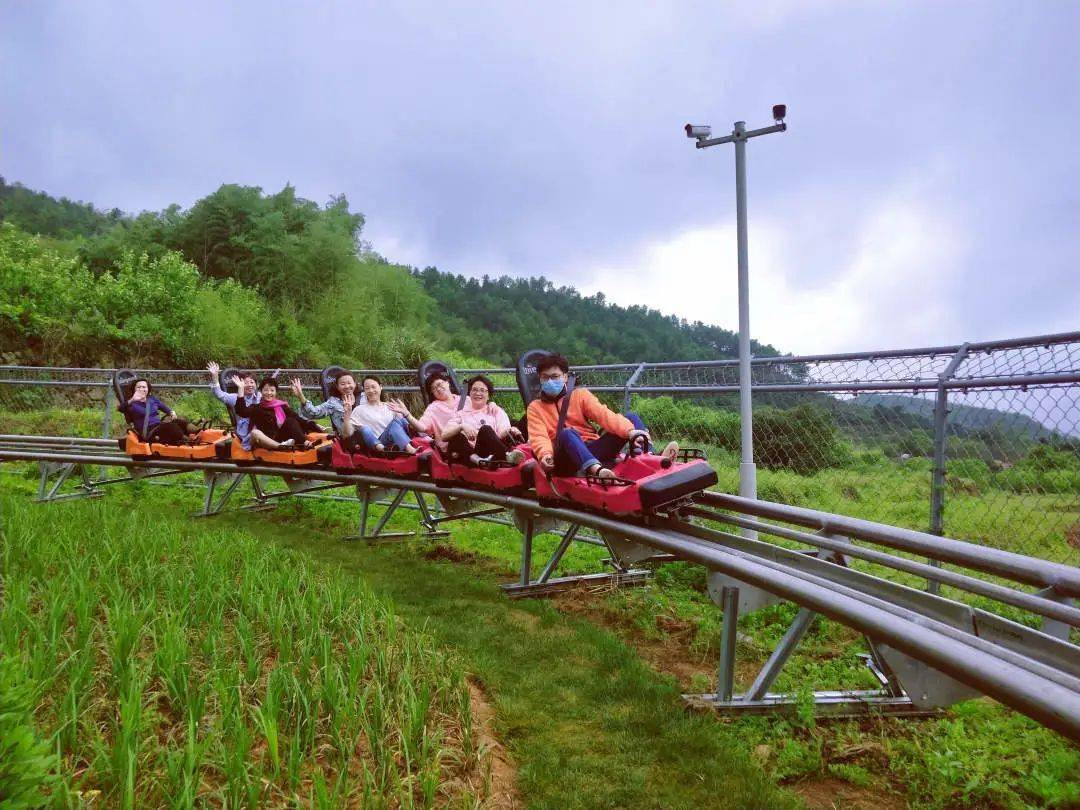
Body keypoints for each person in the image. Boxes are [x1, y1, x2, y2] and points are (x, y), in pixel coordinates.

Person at [526, 353, 677, 478]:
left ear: (565, 377)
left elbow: (604, 415)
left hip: (592, 448)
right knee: (567, 433)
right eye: (545, 377)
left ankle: (649, 458)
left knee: (630, 418)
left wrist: (630, 432)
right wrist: (545, 455)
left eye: (555, 376)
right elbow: (539, 436)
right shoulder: (535, 407)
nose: (550, 381)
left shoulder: (580, 395)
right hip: (564, 457)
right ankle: (597, 471)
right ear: (540, 379)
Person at [443, 375, 526, 465]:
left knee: (485, 429)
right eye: (474, 390)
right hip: (471, 453)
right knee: (456, 436)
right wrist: (462, 427)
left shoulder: (495, 410)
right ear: (469, 393)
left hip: (492, 450)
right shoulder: (461, 413)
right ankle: (501, 456)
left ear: (488, 395)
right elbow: (444, 435)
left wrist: (510, 430)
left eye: (482, 390)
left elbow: (502, 431)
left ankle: (506, 455)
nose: (478, 393)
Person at [207, 361, 282, 451]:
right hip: (246, 431)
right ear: (240, 384)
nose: (250, 385)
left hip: (264, 428)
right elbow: (219, 394)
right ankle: (278, 446)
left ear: (256, 384)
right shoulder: (235, 398)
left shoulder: (260, 395)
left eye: (252, 382)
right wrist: (215, 377)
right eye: (246, 383)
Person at [342, 375, 417, 454]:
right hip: (374, 443)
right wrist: (347, 415)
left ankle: (412, 445)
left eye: (373, 387)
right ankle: (385, 449)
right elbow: (347, 434)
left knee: (396, 422)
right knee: (365, 429)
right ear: (364, 391)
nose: (371, 390)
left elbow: (405, 425)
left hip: (394, 441)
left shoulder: (390, 406)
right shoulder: (359, 409)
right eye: (367, 388)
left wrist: (404, 412)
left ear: (380, 387)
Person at [234, 377, 313, 450]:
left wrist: (313, 425)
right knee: (255, 433)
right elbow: (241, 411)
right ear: (261, 392)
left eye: (272, 390)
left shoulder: (282, 406)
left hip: (280, 438)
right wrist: (241, 389)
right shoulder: (256, 408)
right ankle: (280, 447)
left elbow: (297, 418)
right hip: (264, 440)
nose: (269, 393)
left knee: (291, 420)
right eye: (266, 390)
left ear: (275, 392)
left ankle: (303, 444)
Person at [391, 372, 461, 451]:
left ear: (447, 382)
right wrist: (407, 414)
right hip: (452, 447)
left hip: (473, 441)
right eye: (434, 389)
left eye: (439, 384)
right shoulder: (433, 408)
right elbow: (422, 427)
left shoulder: (466, 400)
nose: (438, 389)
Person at [118, 378, 201, 445]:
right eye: (138, 387)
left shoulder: (152, 399)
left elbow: (164, 407)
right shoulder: (131, 403)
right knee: (171, 427)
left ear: (148, 389)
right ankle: (190, 442)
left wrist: (171, 412)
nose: (141, 389)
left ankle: (201, 433)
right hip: (148, 432)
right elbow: (120, 408)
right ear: (134, 389)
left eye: (144, 387)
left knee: (179, 421)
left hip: (159, 426)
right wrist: (132, 399)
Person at [292, 372, 353, 436]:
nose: (347, 386)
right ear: (337, 387)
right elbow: (313, 412)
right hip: (348, 438)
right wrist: (301, 396)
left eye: (349, 383)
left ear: (355, 384)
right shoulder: (333, 403)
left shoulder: (362, 398)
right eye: (343, 384)